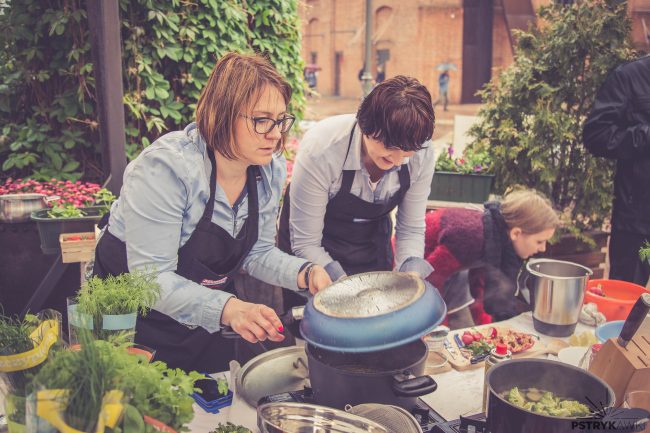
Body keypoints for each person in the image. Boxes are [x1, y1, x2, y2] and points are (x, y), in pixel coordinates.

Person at [92, 52, 331, 373]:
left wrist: (305, 273)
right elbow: (151, 279)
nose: (275, 134)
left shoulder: (268, 169)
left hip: (201, 320)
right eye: (261, 120)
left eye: (280, 120)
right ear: (221, 114)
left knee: (209, 396)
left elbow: (257, 252)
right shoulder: (166, 169)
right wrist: (230, 309)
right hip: (130, 318)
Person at [278, 75, 436, 288]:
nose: (398, 160)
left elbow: (411, 229)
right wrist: (347, 291)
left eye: (407, 151)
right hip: (314, 253)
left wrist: (410, 277)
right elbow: (306, 243)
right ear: (365, 125)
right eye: (390, 147)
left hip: (372, 246)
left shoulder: (421, 150)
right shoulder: (322, 149)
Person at [423, 189, 560, 328]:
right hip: (422, 265)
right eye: (539, 241)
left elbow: (479, 284)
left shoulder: (495, 239)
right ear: (516, 233)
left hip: (449, 270)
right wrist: (439, 328)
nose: (543, 249)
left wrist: (487, 328)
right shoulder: (471, 238)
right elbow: (429, 280)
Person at [583, 55, 650, 286]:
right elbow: (596, 135)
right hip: (638, 222)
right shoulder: (629, 77)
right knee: (626, 294)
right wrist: (646, 135)